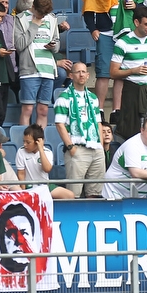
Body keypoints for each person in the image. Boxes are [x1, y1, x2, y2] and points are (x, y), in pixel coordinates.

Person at [98, 0, 145, 120]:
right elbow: (91, 6)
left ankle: (116, 111)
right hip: (106, 32)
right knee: (104, 73)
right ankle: (99, 110)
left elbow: (141, 6)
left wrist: (135, 6)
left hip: (125, 32)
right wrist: (93, 28)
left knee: (120, 72)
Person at [110, 4, 147, 140]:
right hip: (132, 89)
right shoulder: (123, 43)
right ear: (136, 22)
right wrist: (133, 71)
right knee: (131, 131)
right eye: (146, 24)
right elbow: (113, 73)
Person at [54, 62, 105, 198]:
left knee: (95, 194)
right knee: (74, 195)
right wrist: (71, 147)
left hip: (95, 148)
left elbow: (98, 123)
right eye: (78, 72)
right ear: (71, 75)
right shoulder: (64, 97)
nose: (81, 75)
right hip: (77, 149)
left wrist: (100, 145)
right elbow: (59, 124)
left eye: (84, 72)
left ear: (88, 75)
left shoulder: (93, 98)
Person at [12, 0, 59, 127]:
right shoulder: (20, 19)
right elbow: (19, 45)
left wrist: (53, 46)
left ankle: (40, 139)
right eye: (40, 13)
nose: (42, 16)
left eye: (45, 14)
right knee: (27, 109)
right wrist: (34, 26)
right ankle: (25, 138)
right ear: (33, 7)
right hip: (29, 70)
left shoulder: (51, 18)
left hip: (48, 69)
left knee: (43, 110)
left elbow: (57, 44)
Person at [102, 117, 147, 200]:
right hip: (114, 192)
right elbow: (136, 173)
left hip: (137, 194)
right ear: (142, 130)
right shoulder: (132, 145)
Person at [15, 124, 74, 199]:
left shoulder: (47, 152)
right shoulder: (21, 151)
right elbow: (21, 174)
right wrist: (23, 193)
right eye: (24, 141)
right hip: (28, 186)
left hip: (45, 185)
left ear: (38, 141)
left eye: (28, 142)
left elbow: (47, 169)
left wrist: (41, 150)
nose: (25, 144)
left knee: (70, 195)